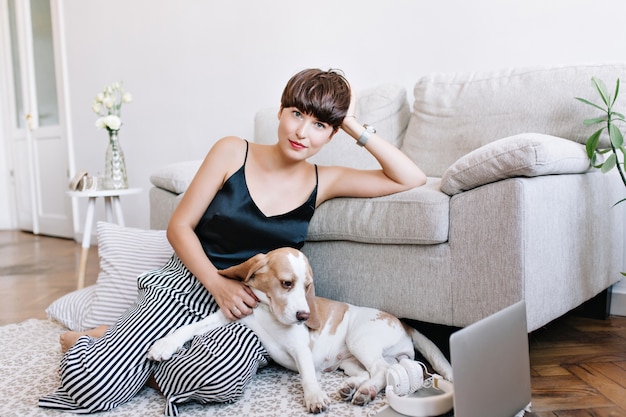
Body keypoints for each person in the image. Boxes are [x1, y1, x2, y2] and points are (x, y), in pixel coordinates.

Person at [40, 68, 426, 415]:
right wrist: (217, 284)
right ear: (280, 111)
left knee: (218, 380)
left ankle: (128, 348)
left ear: (331, 134)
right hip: (189, 284)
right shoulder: (231, 150)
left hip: (254, 309)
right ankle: (109, 341)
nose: (301, 133)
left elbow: (411, 178)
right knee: (89, 385)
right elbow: (179, 227)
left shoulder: (325, 179)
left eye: (320, 125)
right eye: (296, 115)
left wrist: (353, 124)